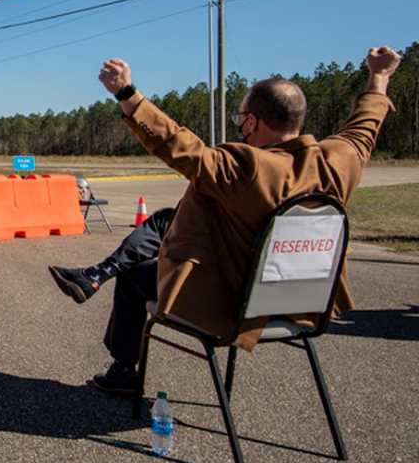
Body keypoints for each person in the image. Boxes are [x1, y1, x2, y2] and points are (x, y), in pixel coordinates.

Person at [48, 47, 400, 395]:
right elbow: (366, 124)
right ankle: (97, 277)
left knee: (132, 278)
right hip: (306, 307)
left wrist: (126, 92)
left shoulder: (247, 166)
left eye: (241, 119)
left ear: (251, 122)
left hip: (234, 306)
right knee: (164, 220)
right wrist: (379, 77)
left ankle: (123, 371)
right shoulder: (340, 161)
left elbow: (179, 146)